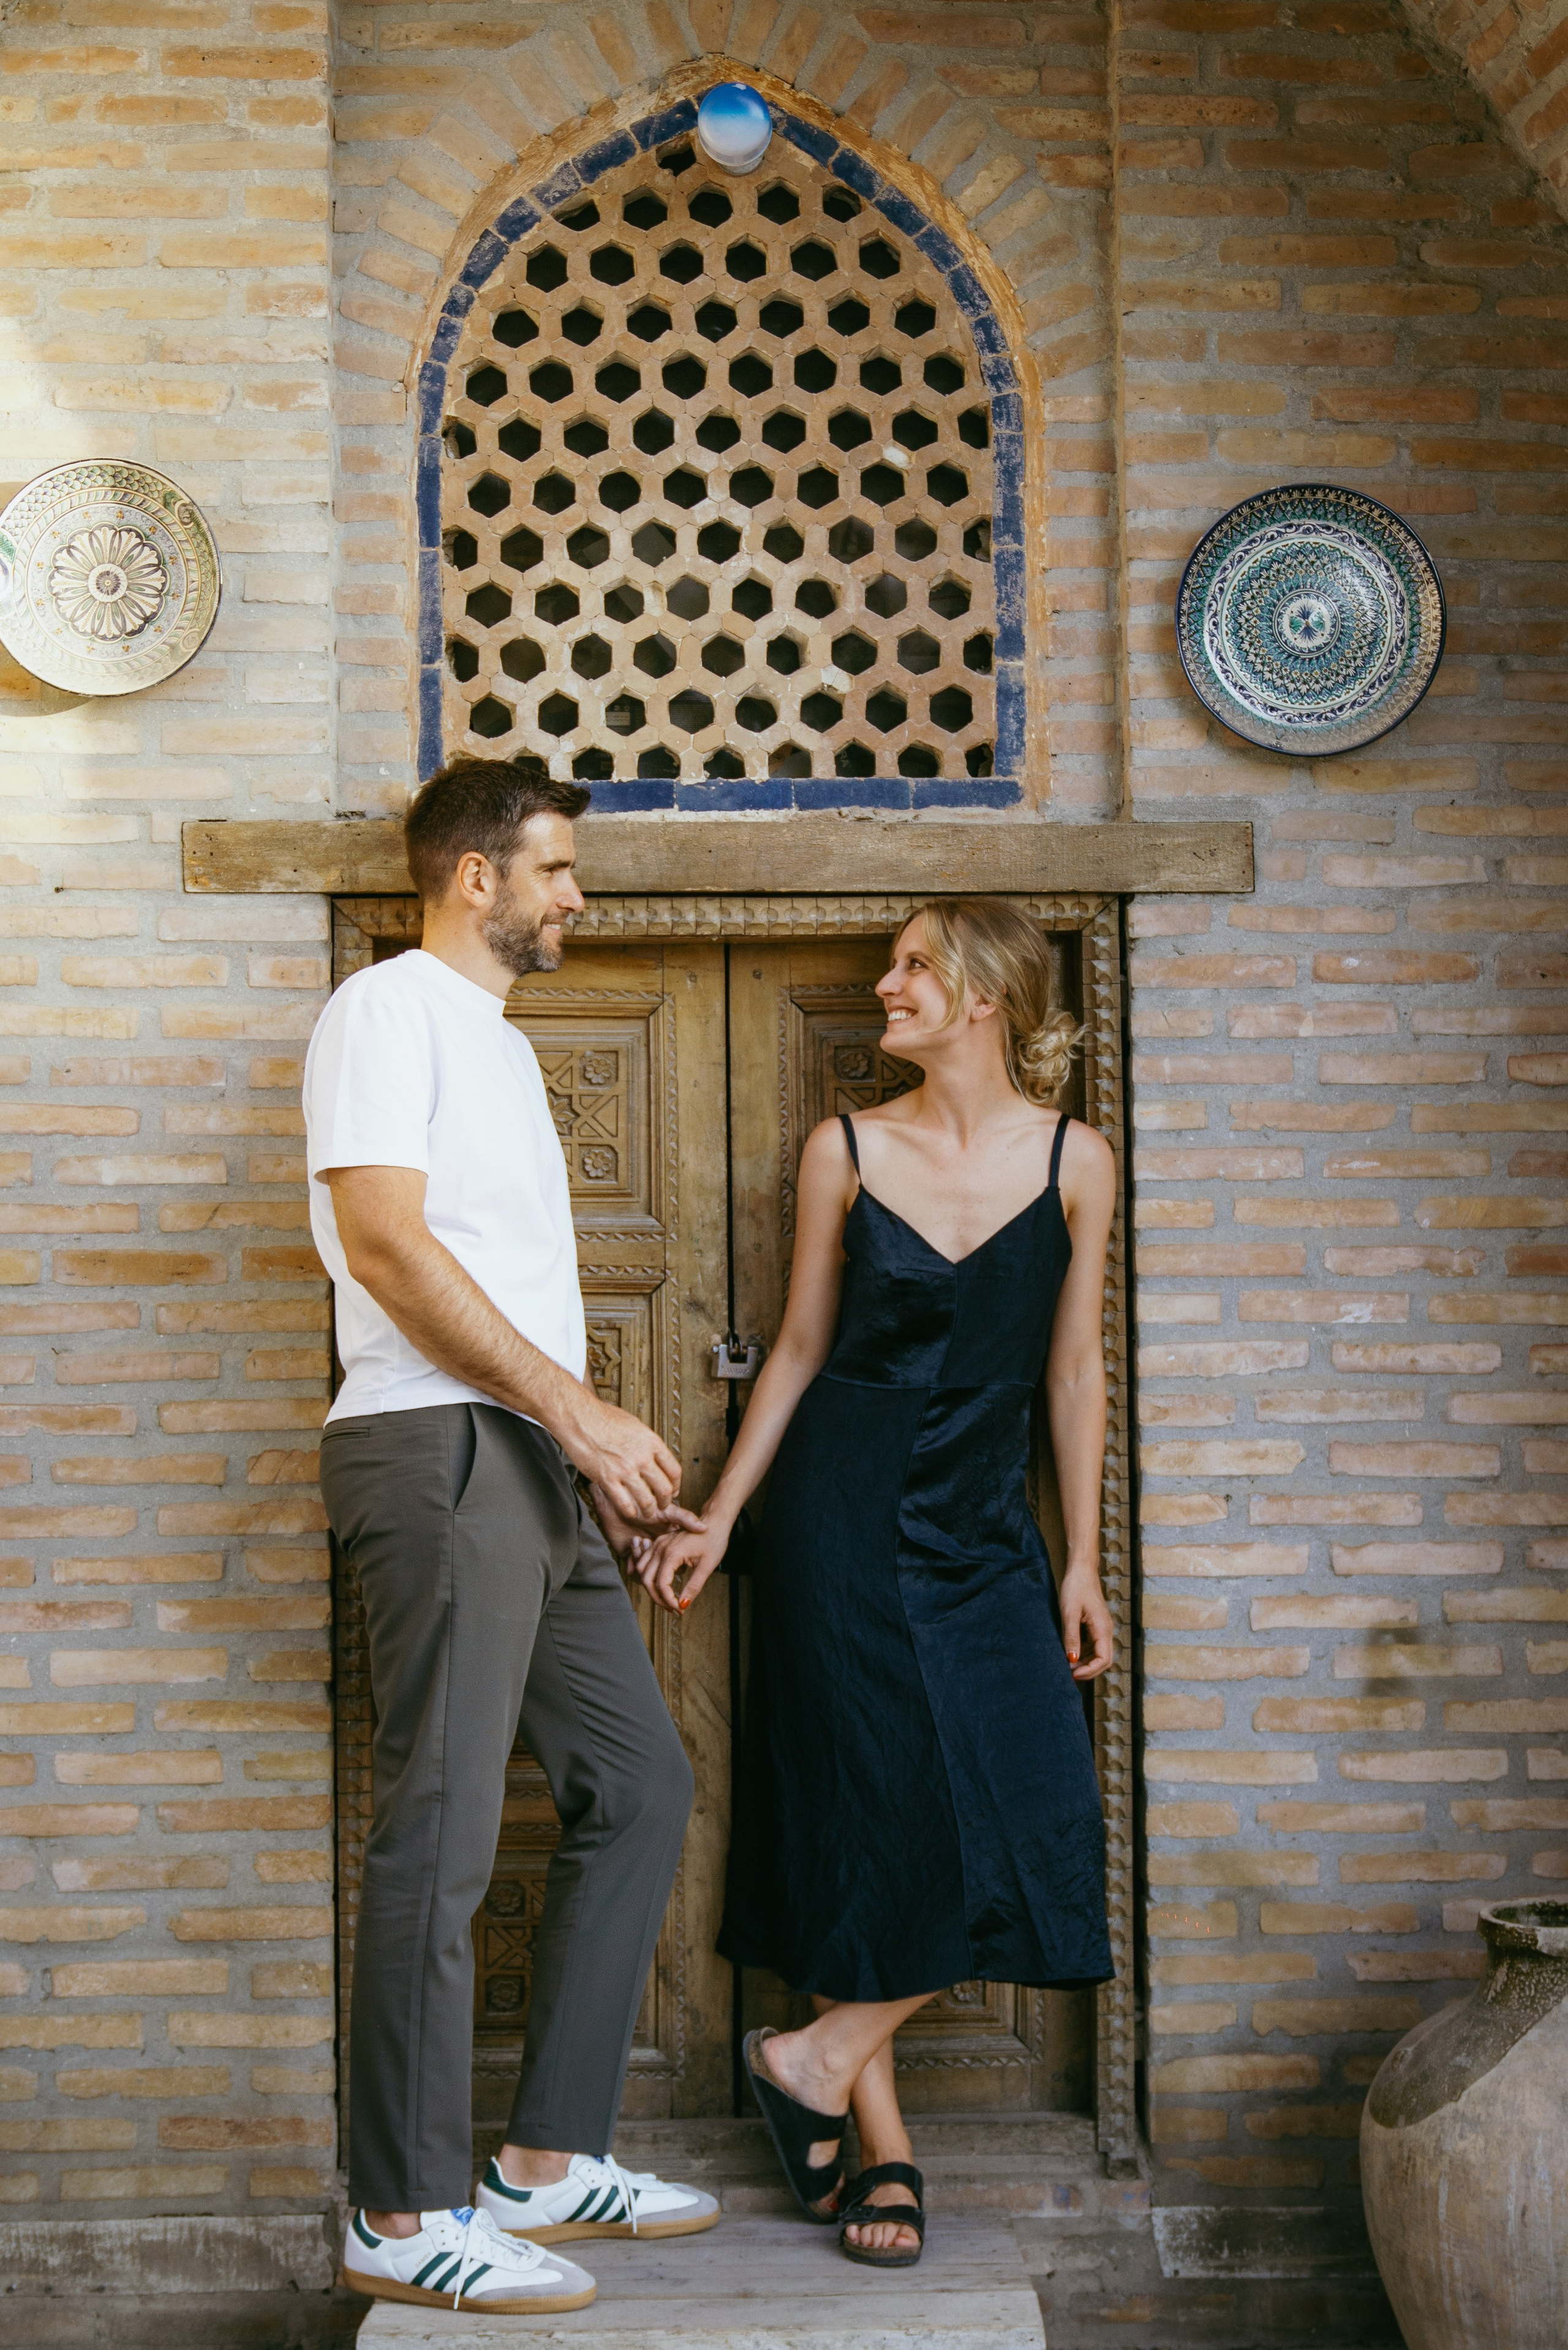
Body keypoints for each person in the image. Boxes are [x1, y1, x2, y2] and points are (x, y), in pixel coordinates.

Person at [635, 898, 1116, 2271]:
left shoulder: (1077, 1162)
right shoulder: (841, 1147)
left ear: (985, 998)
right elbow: (793, 1350)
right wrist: (724, 1515)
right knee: (873, 1811)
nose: (882, 984)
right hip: (834, 1518)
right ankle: (884, 2140)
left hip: (978, 1527)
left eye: (913, 965)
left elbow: (1071, 1371)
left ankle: (818, 2049)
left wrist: (1076, 1556)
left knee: (1037, 1797)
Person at [306, 755, 720, 2318]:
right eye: (555, 869)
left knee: (640, 1778)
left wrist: (587, 1447)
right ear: (475, 875)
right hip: (433, 1447)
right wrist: (584, 1413)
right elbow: (387, 1247)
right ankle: (399, 2211)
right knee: (444, 1822)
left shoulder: (493, 1042)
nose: (575, 897)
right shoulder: (386, 1012)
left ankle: (544, 2160)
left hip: (529, 1460)